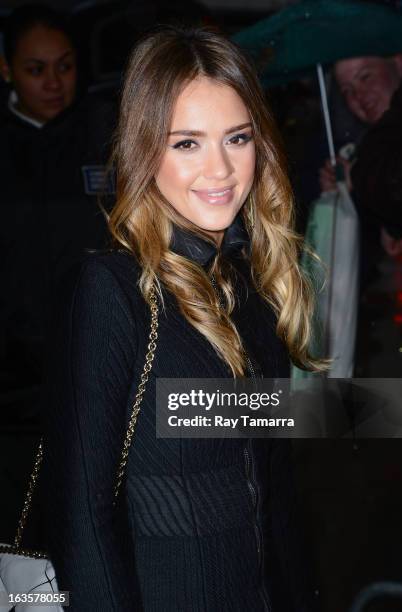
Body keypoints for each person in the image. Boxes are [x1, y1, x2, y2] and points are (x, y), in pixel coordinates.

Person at [42, 26, 325, 611]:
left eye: (237, 138)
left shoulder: (251, 283)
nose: (220, 170)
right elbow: (83, 518)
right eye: (187, 143)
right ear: (145, 151)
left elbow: (267, 476)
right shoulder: (114, 292)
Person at [0, 4, 115, 405]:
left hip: (95, 356)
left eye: (64, 67)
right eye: (36, 70)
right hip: (13, 374)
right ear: (6, 69)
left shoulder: (107, 131)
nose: (54, 83)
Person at [318, 54, 402, 258]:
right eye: (347, 91)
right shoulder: (373, 145)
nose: (359, 95)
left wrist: (356, 177)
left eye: (365, 77)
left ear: (399, 64)